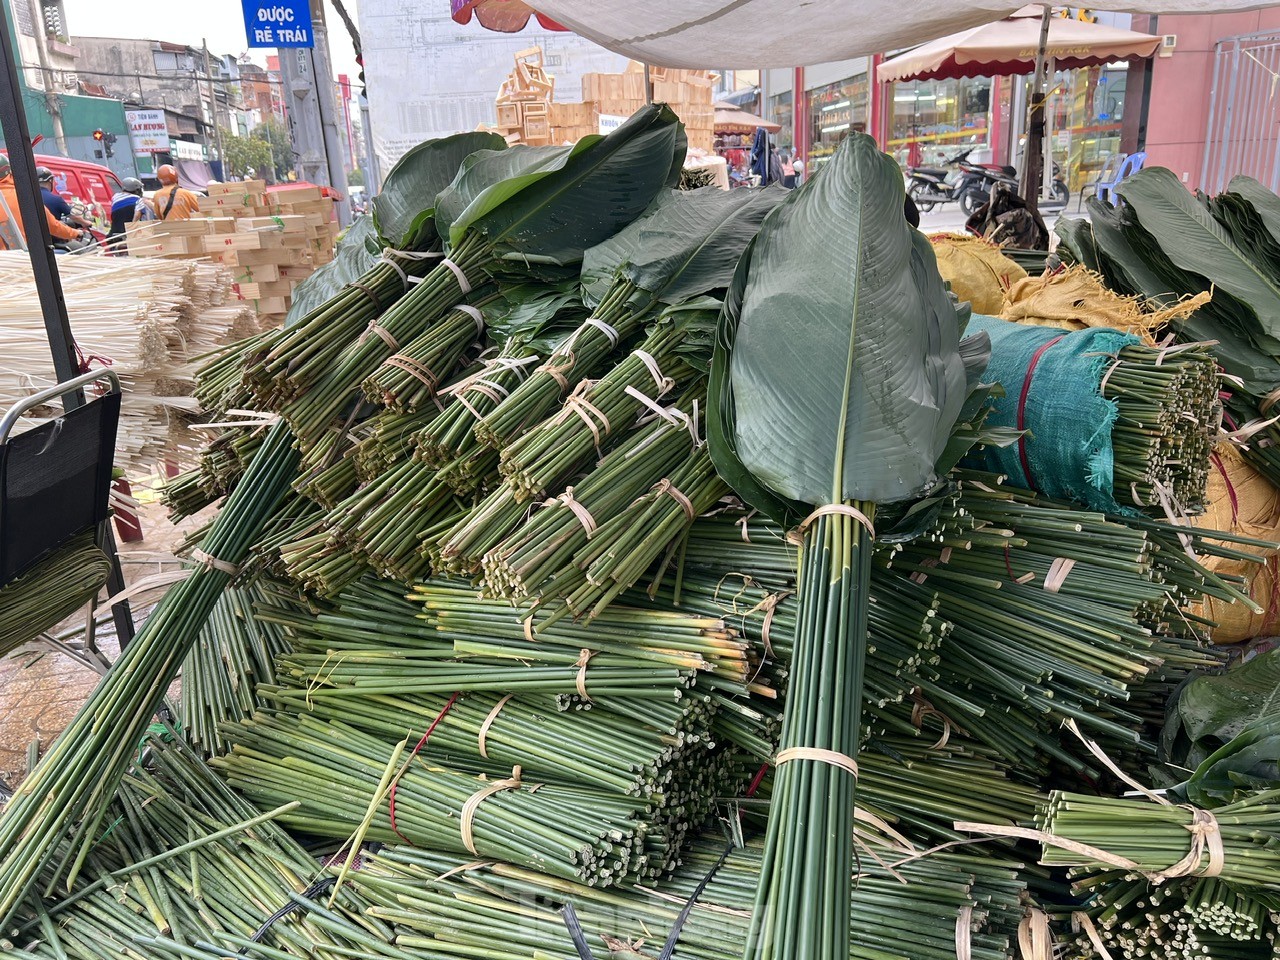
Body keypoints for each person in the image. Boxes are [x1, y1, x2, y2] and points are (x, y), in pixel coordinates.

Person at [0, 155, 85, 249]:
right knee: (75, 249)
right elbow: (52, 225)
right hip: (22, 257)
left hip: (6, 258)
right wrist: (75, 233)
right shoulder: (24, 196)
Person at [106, 177, 152, 254]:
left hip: (114, 234)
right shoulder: (138, 200)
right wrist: (131, 232)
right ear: (136, 190)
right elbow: (137, 216)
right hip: (128, 235)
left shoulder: (115, 198)